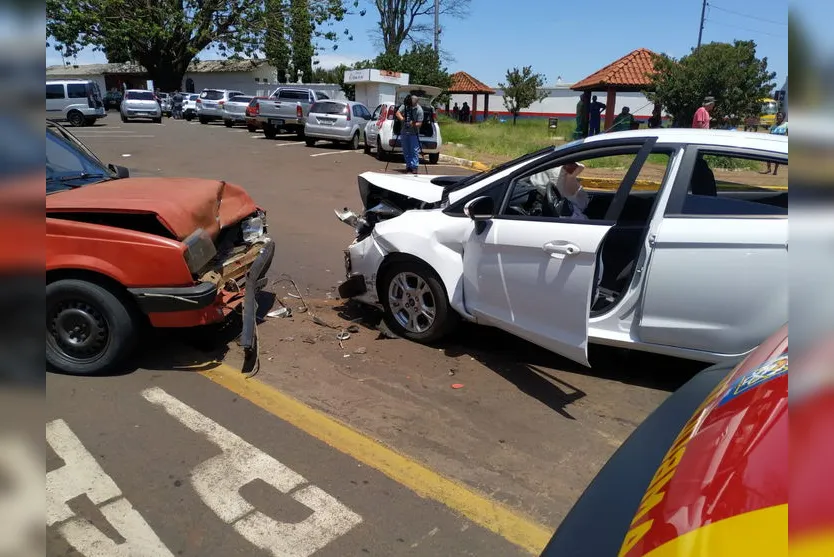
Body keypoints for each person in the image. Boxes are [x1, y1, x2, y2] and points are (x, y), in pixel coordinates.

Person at [396, 94, 424, 174]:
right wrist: (402, 119)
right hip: (404, 132)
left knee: (414, 150)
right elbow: (397, 113)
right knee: (406, 150)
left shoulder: (419, 110)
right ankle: (408, 166)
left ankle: (414, 167)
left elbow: (420, 123)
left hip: (413, 133)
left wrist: (414, 124)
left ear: (415, 103)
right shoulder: (405, 106)